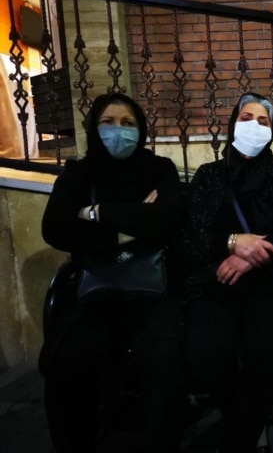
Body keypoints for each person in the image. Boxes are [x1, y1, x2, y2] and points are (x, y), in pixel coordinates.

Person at [40, 92, 185, 453]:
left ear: (141, 130)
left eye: (128, 124)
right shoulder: (78, 173)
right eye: (108, 123)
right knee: (69, 359)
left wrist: (96, 212)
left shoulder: (159, 169)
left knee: (165, 359)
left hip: (151, 287)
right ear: (93, 128)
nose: (118, 131)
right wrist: (134, 223)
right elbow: (55, 228)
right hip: (94, 291)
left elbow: (170, 219)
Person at [180, 92, 273, 453]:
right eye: (247, 118)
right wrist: (231, 242)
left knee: (269, 347)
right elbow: (189, 237)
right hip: (217, 281)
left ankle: (241, 437)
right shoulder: (209, 177)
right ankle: (249, 419)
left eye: (263, 121)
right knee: (207, 352)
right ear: (232, 125)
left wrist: (251, 252)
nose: (254, 126)